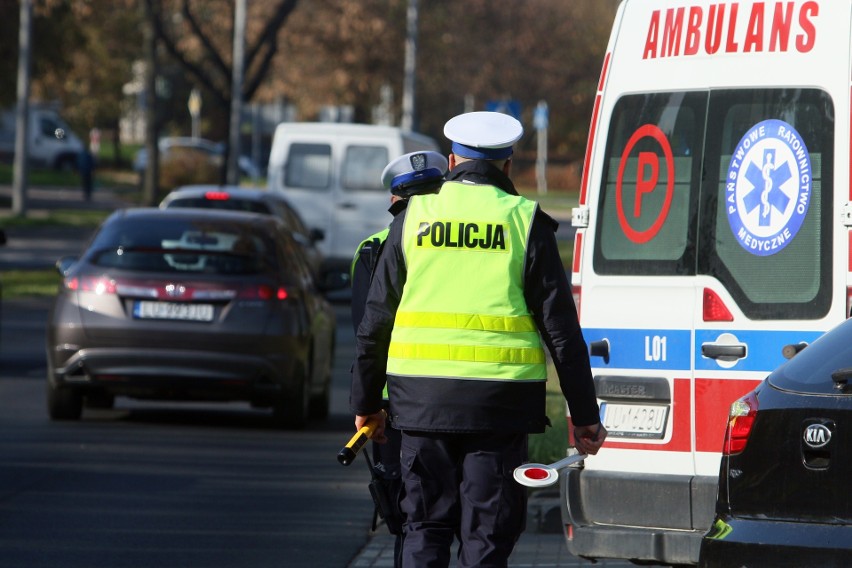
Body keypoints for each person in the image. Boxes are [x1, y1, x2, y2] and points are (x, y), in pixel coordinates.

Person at [351, 111, 606, 567]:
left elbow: (375, 323)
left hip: (421, 404)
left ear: (452, 161)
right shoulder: (525, 221)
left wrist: (366, 402)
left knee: (424, 529)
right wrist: (584, 416)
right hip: (500, 409)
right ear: (507, 166)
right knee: (487, 536)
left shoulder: (413, 218)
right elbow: (563, 333)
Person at [350, 150, 448, 568]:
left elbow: (366, 335)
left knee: (413, 520)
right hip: (465, 393)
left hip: (396, 406)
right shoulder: (455, 243)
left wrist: (366, 405)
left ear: (394, 200)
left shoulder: (372, 249)